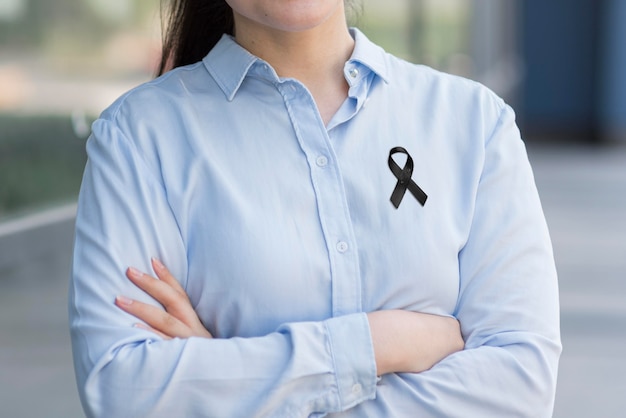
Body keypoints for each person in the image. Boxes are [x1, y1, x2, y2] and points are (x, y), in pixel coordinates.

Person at [68, 0, 562, 416]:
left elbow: (519, 385)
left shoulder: (474, 123)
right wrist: (375, 345)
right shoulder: (138, 139)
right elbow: (124, 390)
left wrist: (230, 377)